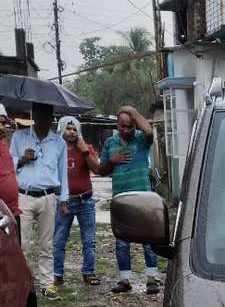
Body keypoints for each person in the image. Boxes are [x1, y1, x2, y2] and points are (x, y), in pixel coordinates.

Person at [10, 102, 69, 300]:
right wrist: (22, 159)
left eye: (46, 115)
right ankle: (24, 286)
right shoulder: (19, 137)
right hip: (24, 196)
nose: (42, 119)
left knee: (47, 244)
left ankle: (46, 284)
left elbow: (62, 173)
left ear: (51, 117)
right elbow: (10, 165)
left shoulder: (58, 143)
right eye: (38, 114)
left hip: (48, 196)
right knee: (23, 244)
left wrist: (64, 199)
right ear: (34, 115)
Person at [99, 104, 160, 295]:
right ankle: (125, 280)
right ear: (117, 125)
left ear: (134, 125)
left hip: (143, 196)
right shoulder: (110, 143)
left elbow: (149, 131)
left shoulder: (142, 140)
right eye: (122, 126)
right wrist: (112, 161)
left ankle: (152, 278)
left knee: (148, 239)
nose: (125, 130)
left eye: (129, 126)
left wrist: (133, 111)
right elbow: (101, 170)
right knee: (121, 241)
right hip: (120, 198)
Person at [53, 116, 101, 287]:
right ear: (61, 129)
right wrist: (60, 199)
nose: (72, 132)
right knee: (59, 240)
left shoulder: (85, 148)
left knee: (89, 240)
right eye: (68, 128)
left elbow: (97, 169)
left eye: (75, 129)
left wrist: (85, 151)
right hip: (63, 202)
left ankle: (88, 272)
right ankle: (57, 274)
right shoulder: (55, 149)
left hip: (85, 201)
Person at [0, 104, 21, 239]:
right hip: (1, 214)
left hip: (12, 211)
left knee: (13, 254)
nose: (2, 127)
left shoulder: (3, 142)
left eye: (3, 123)